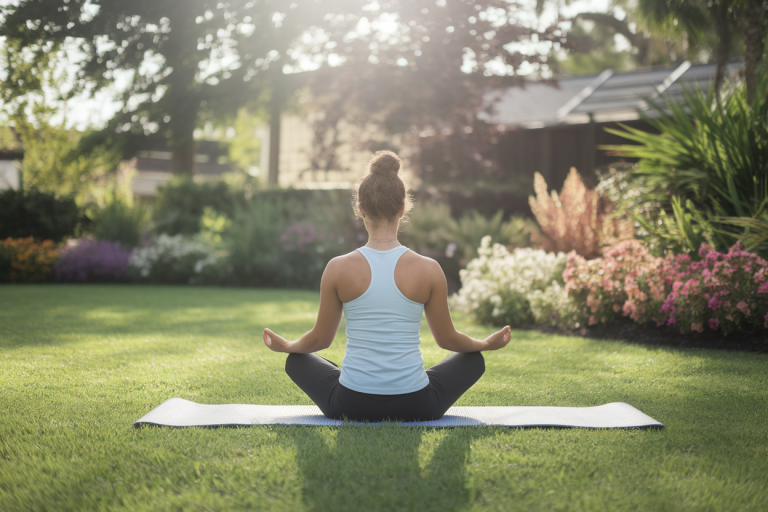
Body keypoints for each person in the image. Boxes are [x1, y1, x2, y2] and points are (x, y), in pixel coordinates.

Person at [262, 150, 511, 422]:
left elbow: (321, 340)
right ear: (403, 208)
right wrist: (485, 344)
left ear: (361, 209)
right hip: (418, 405)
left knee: (297, 359)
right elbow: (447, 340)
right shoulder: (429, 269)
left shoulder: (338, 267)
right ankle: (408, 382)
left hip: (350, 404)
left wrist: (287, 346)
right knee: (473, 359)